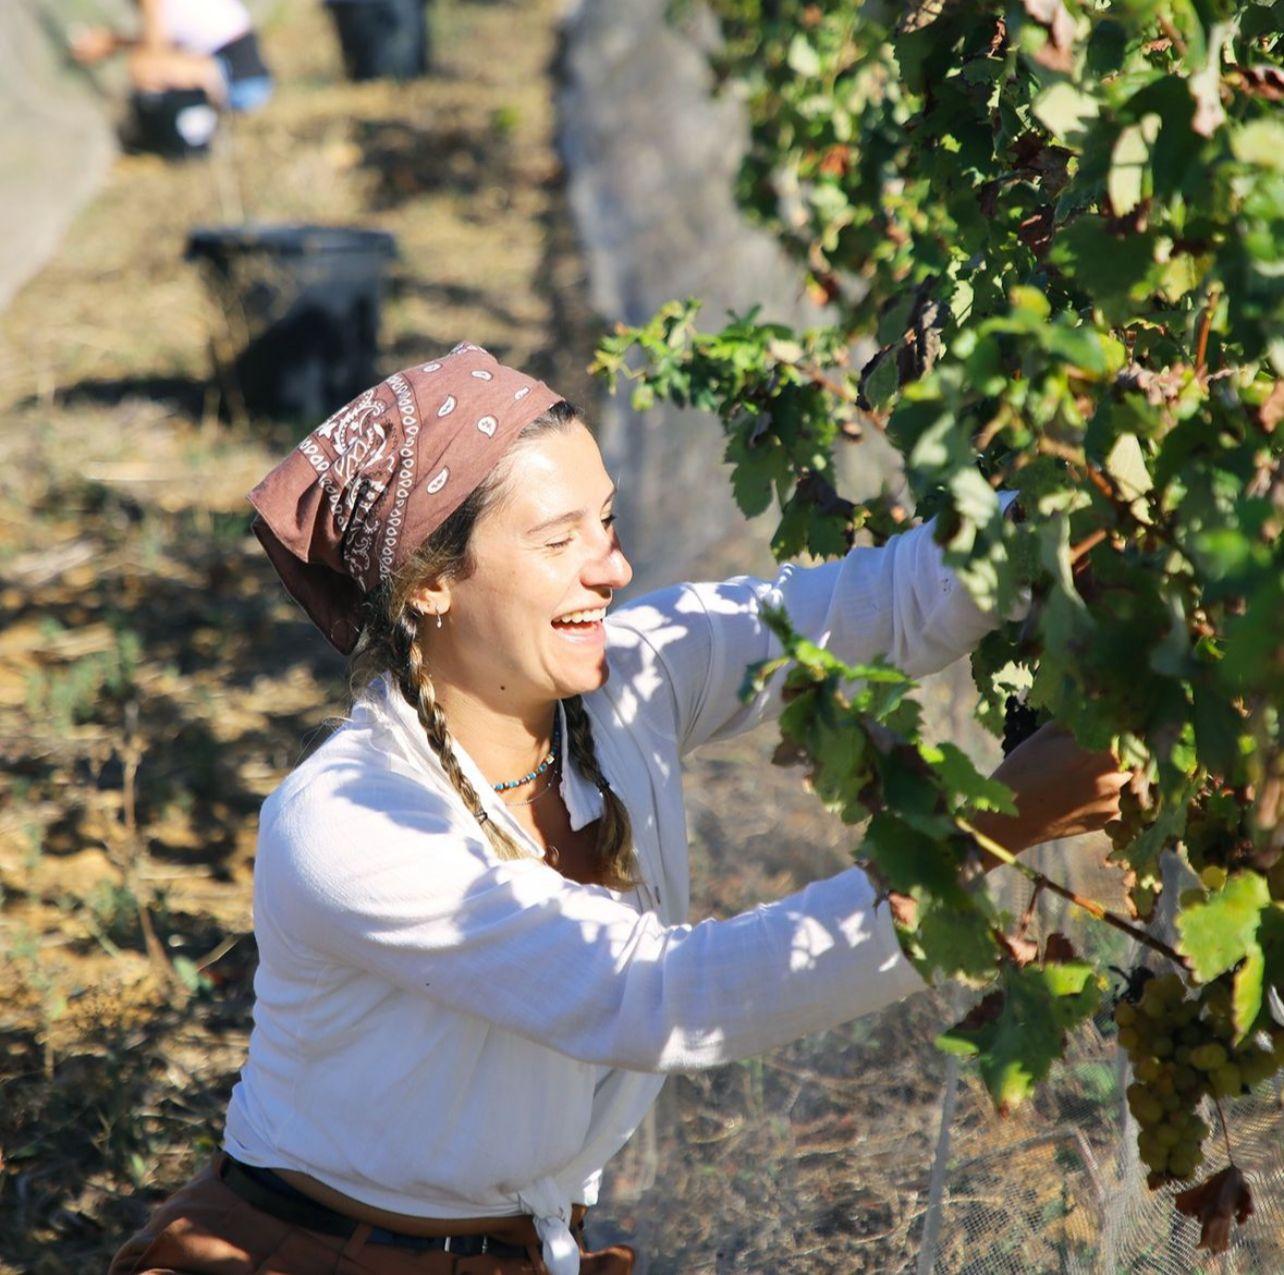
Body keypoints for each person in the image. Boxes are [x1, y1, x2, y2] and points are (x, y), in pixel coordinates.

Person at [108, 343, 1128, 1275]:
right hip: (308, 1256)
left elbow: (890, 607)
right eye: (560, 540)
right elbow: (664, 996)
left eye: (608, 522)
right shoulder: (350, 824)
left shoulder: (630, 680)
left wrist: (1089, 486)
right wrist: (996, 823)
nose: (614, 567)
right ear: (428, 583)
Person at [71, 0, 274, 115]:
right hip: (247, 71)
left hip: (236, 75)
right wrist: (113, 43)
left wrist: (110, 43)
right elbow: (166, 42)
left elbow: (154, 52)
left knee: (141, 69)